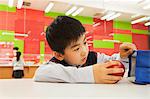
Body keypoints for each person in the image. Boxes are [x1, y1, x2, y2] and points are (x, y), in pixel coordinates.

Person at [33, 16, 136, 84]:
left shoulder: (94, 57)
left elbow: (112, 62)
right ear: (59, 55)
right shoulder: (55, 64)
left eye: (85, 43)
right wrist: (91, 74)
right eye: (77, 48)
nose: (84, 51)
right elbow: (40, 73)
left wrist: (122, 57)